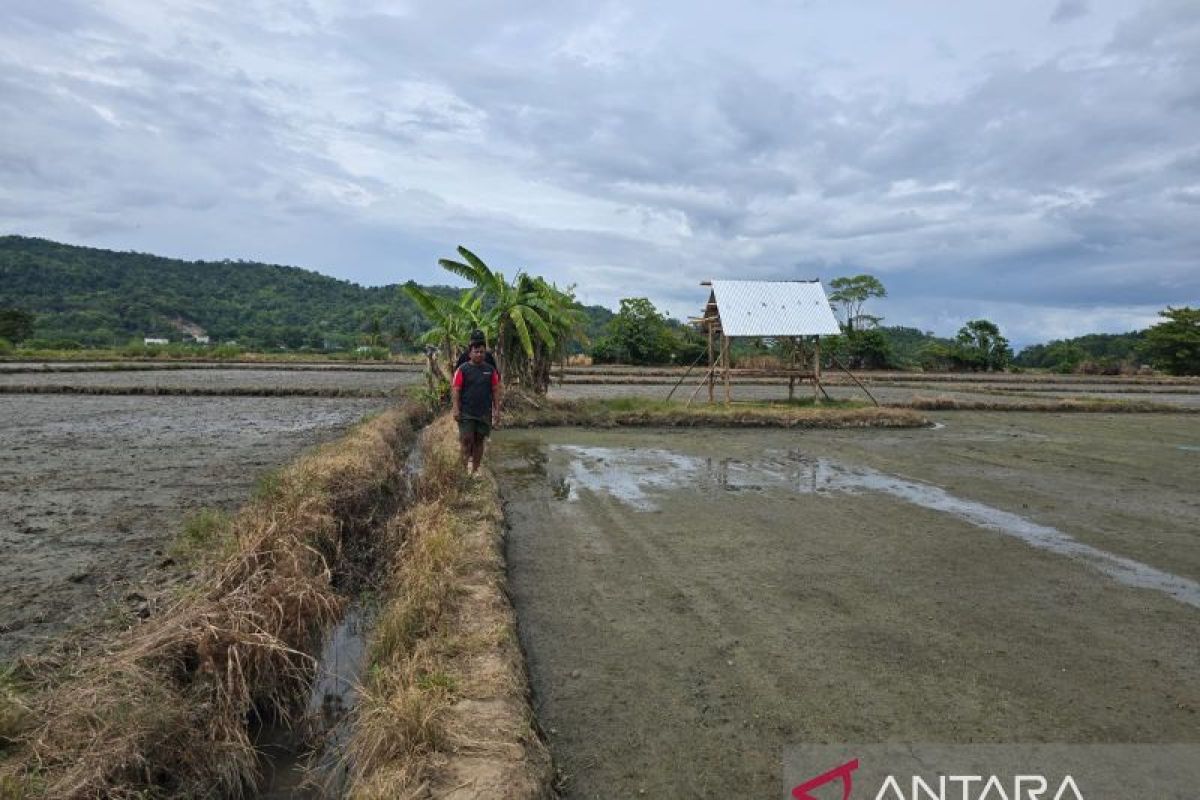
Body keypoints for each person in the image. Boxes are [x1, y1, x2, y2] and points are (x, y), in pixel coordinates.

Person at [452, 339, 502, 476]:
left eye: (482, 352)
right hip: (466, 412)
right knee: (466, 440)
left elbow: (495, 390)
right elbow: (456, 390)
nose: (479, 354)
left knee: (479, 441)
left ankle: (475, 470)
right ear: (470, 353)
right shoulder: (462, 370)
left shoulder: (490, 371)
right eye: (476, 352)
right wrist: (456, 408)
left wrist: (497, 410)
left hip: (484, 412)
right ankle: (462, 471)